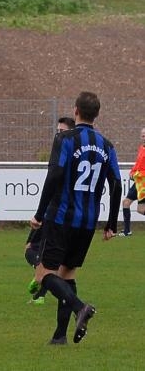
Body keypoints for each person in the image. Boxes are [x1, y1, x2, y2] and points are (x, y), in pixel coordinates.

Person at [30, 92, 122, 345]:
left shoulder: (66, 139)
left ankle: (80, 307)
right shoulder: (107, 145)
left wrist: (39, 213)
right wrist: (111, 223)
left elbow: (55, 175)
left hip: (61, 217)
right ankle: (59, 336)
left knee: (43, 275)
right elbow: (116, 184)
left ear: (76, 111)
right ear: (97, 114)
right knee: (67, 275)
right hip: (88, 222)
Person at [25, 116, 76, 305]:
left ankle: (41, 285)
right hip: (54, 210)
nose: (58, 135)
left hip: (56, 212)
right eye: (57, 131)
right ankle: (41, 283)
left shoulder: (66, 152)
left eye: (62, 131)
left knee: (40, 256)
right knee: (34, 251)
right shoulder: (64, 150)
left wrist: (40, 213)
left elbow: (55, 178)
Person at [119, 127, 145, 237]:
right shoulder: (141, 148)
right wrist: (132, 171)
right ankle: (127, 231)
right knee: (126, 202)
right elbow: (138, 164)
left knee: (140, 210)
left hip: (143, 183)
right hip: (138, 182)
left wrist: (138, 174)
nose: (144, 137)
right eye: (143, 135)